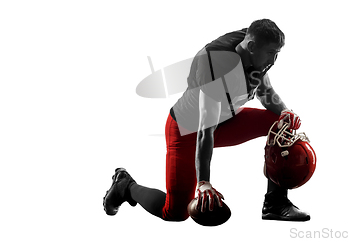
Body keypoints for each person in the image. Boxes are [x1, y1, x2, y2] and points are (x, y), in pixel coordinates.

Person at [103, 19, 310, 222]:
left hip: (226, 120)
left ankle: (275, 203)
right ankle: (126, 186)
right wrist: (204, 182)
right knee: (175, 213)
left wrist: (285, 112)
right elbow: (205, 129)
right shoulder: (215, 65)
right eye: (271, 53)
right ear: (252, 46)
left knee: (280, 123)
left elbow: (265, 90)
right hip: (187, 131)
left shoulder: (253, 44)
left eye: (277, 53)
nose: (273, 60)